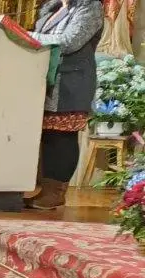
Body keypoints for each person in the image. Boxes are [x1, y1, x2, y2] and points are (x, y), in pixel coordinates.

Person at [25, 0, 103, 209]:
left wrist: (30, 37)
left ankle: (56, 192)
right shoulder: (54, 8)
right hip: (47, 81)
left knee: (61, 135)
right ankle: (45, 190)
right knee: (49, 136)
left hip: (70, 82)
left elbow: (70, 41)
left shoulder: (90, 6)